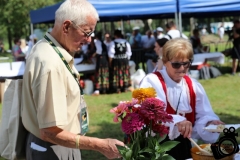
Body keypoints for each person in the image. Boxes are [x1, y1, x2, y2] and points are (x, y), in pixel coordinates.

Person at [21, 0, 124, 160]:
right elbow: (49, 132)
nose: (89, 40)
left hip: (55, 145)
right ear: (66, 27)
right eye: (87, 32)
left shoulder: (46, 48)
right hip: (54, 149)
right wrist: (100, 145)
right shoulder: (51, 63)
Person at [140, 38, 224, 160]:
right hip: (155, 146)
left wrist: (210, 123)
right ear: (165, 62)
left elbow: (203, 114)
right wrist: (176, 121)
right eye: (176, 64)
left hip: (184, 147)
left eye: (186, 64)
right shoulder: (153, 81)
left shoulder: (193, 86)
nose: (182, 68)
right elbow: (150, 112)